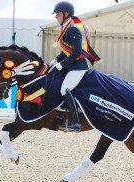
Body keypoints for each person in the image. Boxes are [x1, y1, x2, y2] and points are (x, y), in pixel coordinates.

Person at [51, 1, 100, 132]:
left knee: (64, 90)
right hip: (70, 66)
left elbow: (77, 51)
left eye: (57, 14)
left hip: (78, 67)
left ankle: (76, 122)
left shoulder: (72, 28)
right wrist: (56, 60)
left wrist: (62, 64)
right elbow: (67, 50)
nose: (56, 17)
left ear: (65, 14)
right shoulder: (65, 28)